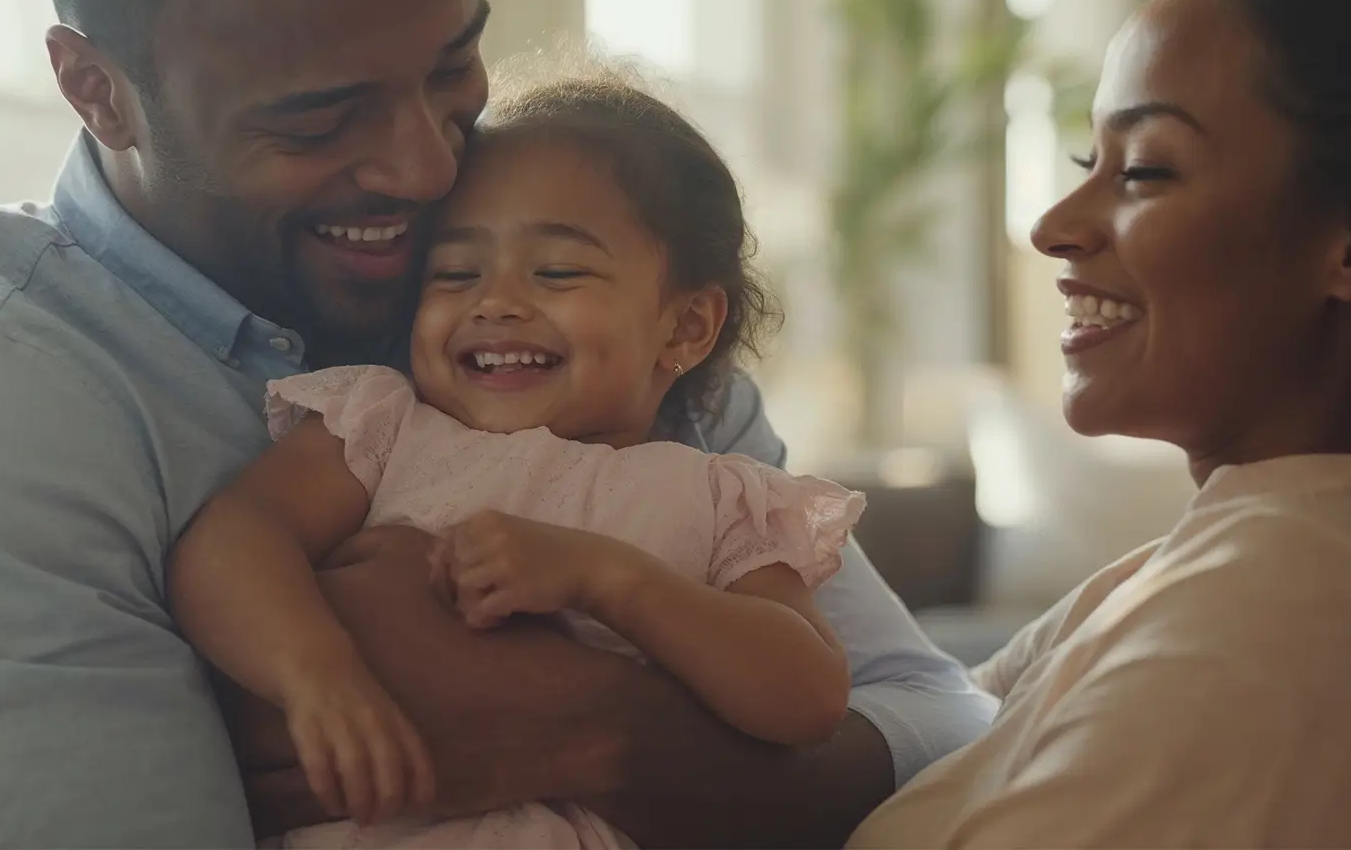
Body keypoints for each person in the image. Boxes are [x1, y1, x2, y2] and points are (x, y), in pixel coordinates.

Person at [0, 0, 994, 848]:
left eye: (453, 68)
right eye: (318, 116)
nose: (426, 166)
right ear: (99, 89)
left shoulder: (583, 329)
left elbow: (944, 720)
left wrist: (594, 731)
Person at [850, 0, 1351, 848]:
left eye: (1146, 169)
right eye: (1088, 164)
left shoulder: (1293, 610)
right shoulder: (1233, 554)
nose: (1052, 226)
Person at [175, 68, 866, 848]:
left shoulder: (720, 499)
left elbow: (810, 695)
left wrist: (608, 578)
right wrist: (317, 674)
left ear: (685, 327)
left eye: (558, 271)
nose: (496, 301)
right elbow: (231, 542)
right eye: (455, 274)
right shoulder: (384, 428)